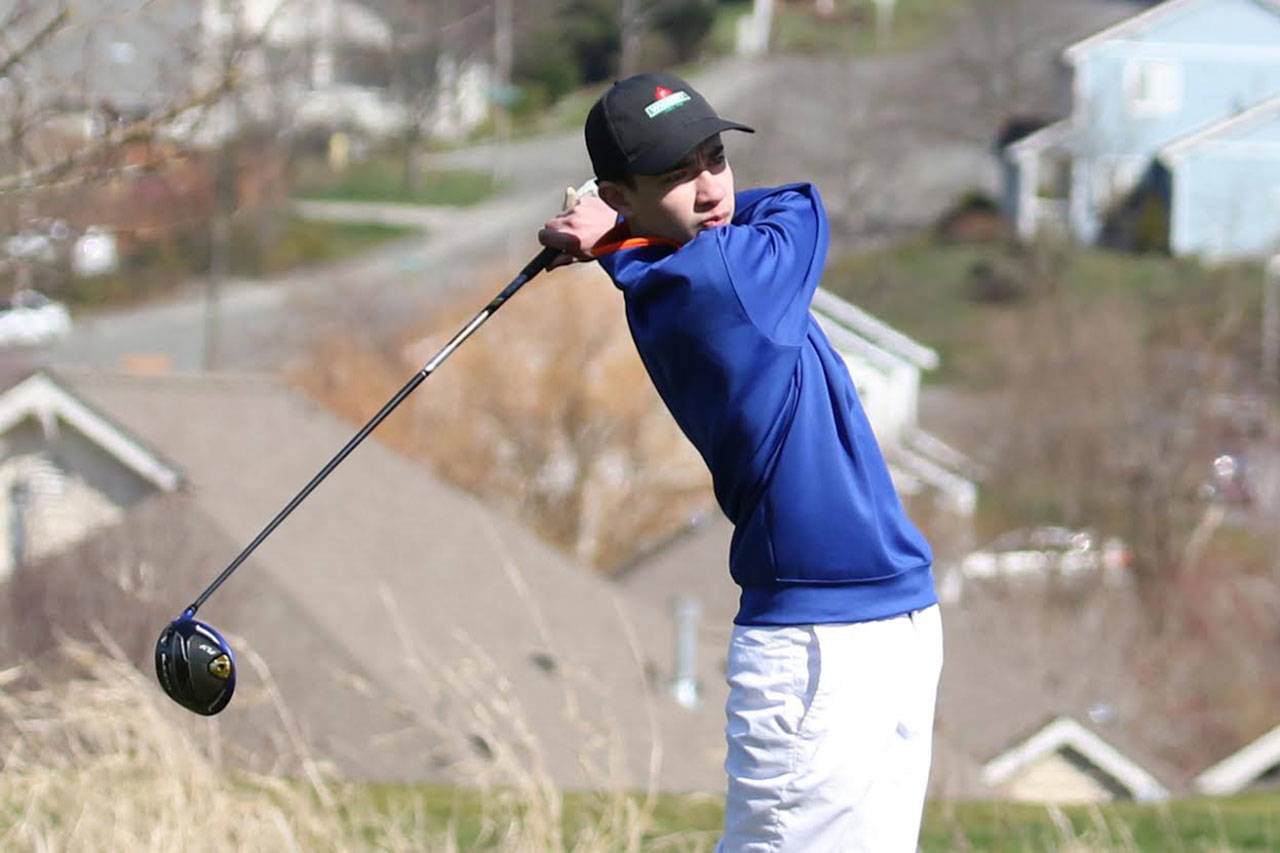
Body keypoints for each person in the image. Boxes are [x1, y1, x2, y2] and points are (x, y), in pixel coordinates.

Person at [538, 71, 943, 852]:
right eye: (675, 175)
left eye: (714, 158)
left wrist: (615, 234)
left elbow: (709, 222)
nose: (710, 189)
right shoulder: (723, 282)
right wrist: (614, 238)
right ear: (621, 194)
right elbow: (800, 204)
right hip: (821, 647)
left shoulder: (678, 268)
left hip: (880, 623)